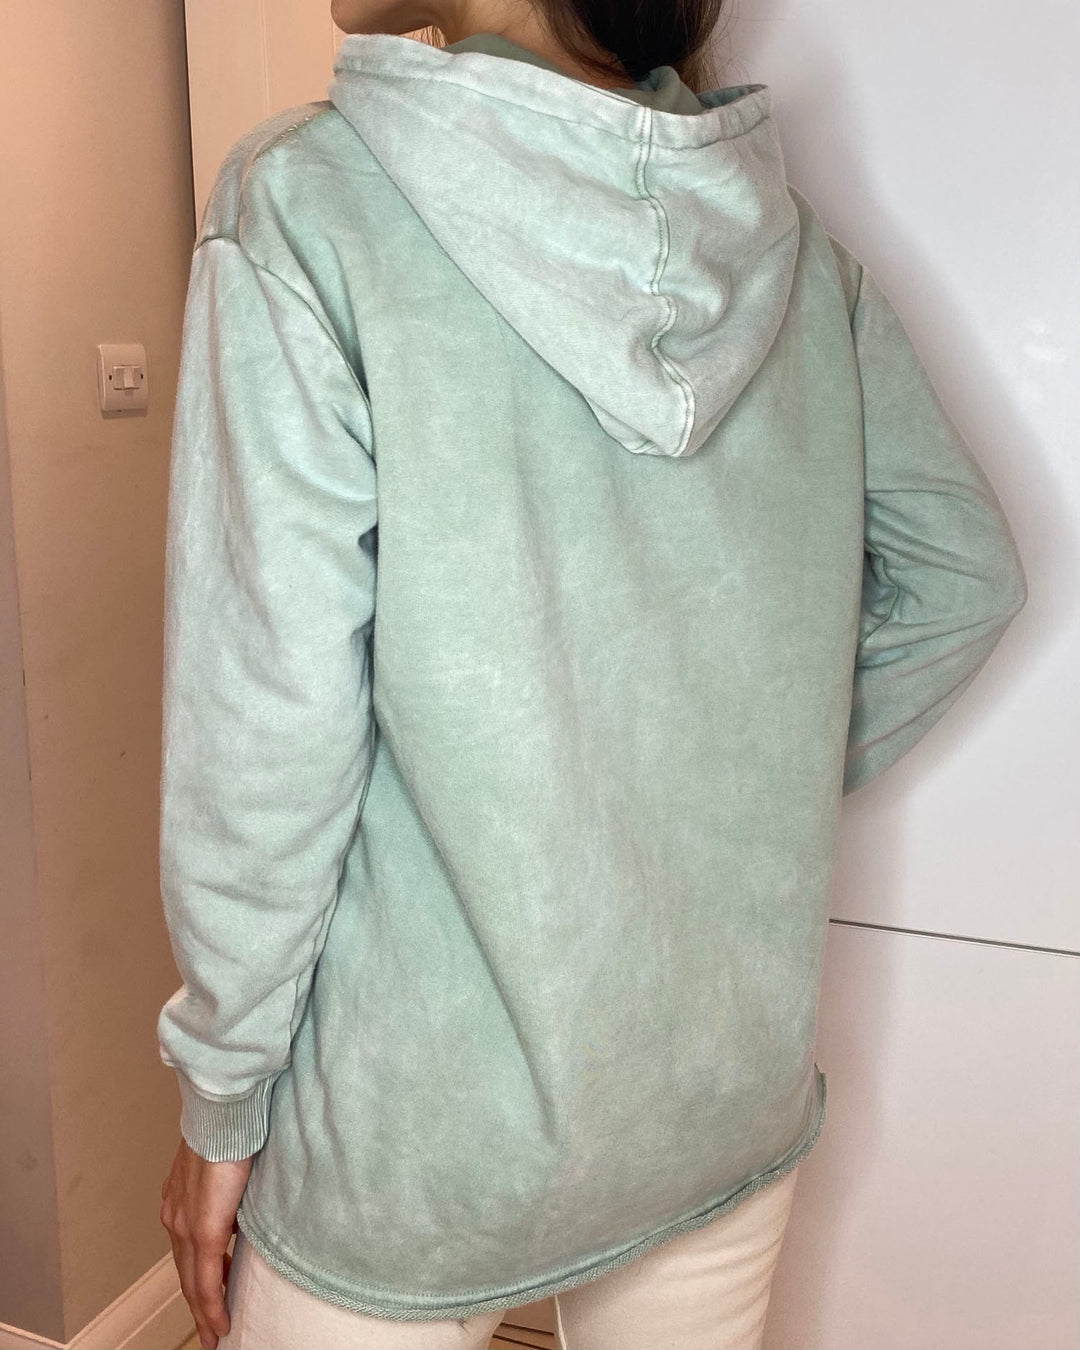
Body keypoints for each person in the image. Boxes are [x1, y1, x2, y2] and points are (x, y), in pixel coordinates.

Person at [155, 0, 1028, 1346]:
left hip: (413, 1130)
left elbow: (265, 734)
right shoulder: (794, 254)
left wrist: (222, 1098)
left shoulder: (309, 210)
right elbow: (963, 573)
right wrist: (742, 769)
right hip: (717, 1101)